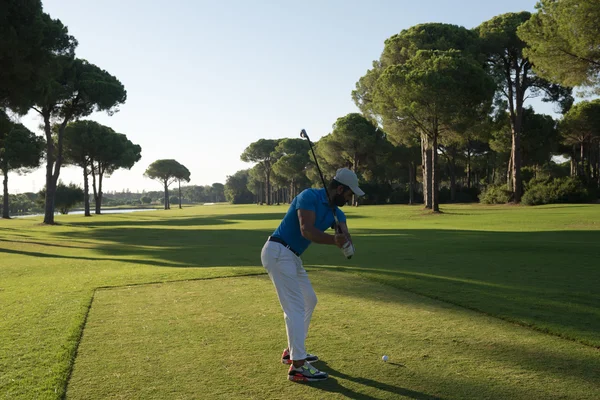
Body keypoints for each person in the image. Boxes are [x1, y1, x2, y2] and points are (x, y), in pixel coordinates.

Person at [260, 167, 365, 382]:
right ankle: (298, 366)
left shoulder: (338, 213)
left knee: (309, 300)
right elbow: (306, 230)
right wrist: (333, 240)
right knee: (295, 307)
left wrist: (346, 242)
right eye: (349, 193)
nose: (350, 197)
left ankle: (293, 350)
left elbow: (346, 239)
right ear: (340, 188)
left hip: (293, 257)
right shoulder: (309, 196)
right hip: (278, 251)